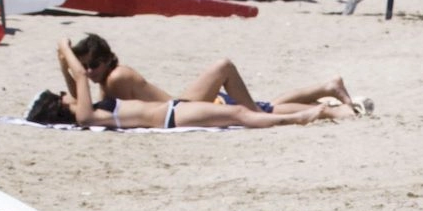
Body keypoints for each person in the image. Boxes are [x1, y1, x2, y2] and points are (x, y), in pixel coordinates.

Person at [27, 40, 355, 129]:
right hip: (171, 115)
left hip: (174, 109)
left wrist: (62, 59)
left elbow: (76, 87)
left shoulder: (91, 107)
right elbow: (81, 81)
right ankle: (310, 114)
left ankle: (325, 111)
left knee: (245, 111)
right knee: (243, 113)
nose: (67, 94)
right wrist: (65, 50)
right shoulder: (87, 115)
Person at [65, 34, 367, 115]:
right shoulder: (111, 78)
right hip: (183, 105)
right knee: (265, 107)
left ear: (106, 61)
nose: (89, 72)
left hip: (182, 106)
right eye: (85, 67)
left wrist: (69, 68)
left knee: (258, 109)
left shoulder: (117, 78)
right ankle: (327, 90)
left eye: (93, 66)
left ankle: (327, 100)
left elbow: (85, 110)